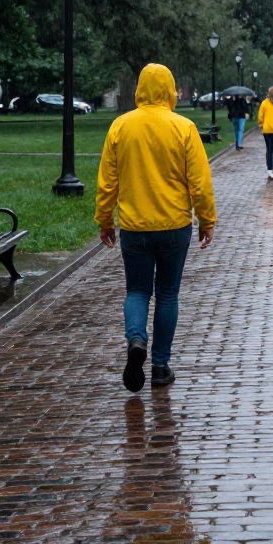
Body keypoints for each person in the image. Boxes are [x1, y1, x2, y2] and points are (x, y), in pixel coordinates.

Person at [95, 63, 216, 393]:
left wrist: (105, 219)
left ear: (139, 90)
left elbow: (107, 182)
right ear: (170, 90)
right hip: (175, 225)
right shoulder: (184, 127)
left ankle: (136, 339)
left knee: (136, 291)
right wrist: (207, 220)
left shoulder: (121, 127)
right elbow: (200, 183)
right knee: (167, 294)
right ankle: (161, 366)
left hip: (134, 227)